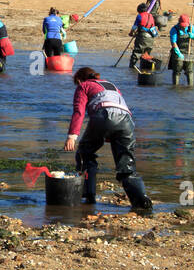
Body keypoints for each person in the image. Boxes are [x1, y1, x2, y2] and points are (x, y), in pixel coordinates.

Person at [65, 67, 154, 211]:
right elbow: (118, 111)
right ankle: (141, 200)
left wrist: (72, 136)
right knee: (126, 164)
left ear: (80, 80)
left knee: (84, 153)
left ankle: (88, 196)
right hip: (126, 120)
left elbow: (79, 111)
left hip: (103, 115)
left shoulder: (84, 85)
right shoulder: (112, 85)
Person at [167, 14, 194, 86]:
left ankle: (190, 86)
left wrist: (193, 36)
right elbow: (173, 43)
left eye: (185, 25)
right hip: (178, 51)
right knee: (177, 71)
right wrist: (178, 53)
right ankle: (175, 86)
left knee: (189, 71)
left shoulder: (191, 27)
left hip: (189, 51)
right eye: (182, 25)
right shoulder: (174, 29)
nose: (184, 27)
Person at [129, 3, 158, 68]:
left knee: (137, 52)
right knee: (146, 54)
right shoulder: (150, 15)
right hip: (151, 38)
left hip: (142, 37)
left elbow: (134, 27)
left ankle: (132, 67)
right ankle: (145, 68)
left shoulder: (139, 16)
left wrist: (131, 33)